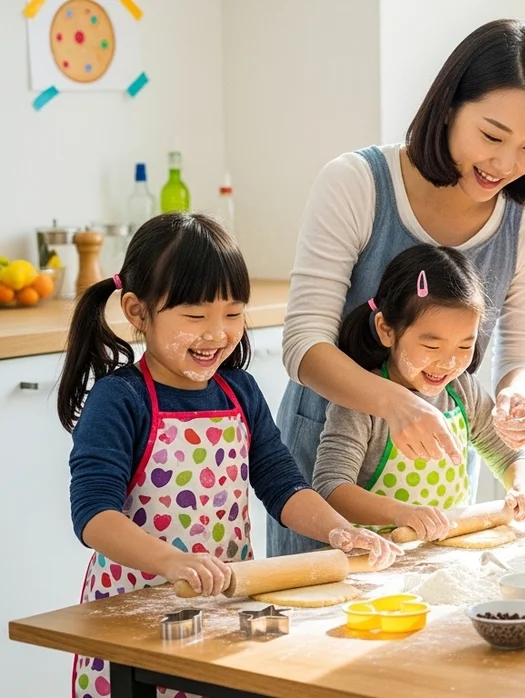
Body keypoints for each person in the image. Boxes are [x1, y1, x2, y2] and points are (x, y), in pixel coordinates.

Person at [271, 19, 525, 557]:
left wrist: (515, 398)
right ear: (449, 106)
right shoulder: (357, 183)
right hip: (329, 462)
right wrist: (395, 404)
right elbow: (303, 344)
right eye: (491, 136)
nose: (506, 164)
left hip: (434, 468)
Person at [59, 214, 400, 698]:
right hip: (131, 619)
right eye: (195, 317)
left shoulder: (238, 390)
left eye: (234, 314)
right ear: (138, 311)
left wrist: (337, 530)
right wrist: (171, 562)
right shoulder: (122, 399)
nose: (218, 333)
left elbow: (282, 483)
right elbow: (93, 514)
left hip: (223, 609)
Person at [313, 245, 525, 539]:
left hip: (448, 558)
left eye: (465, 346)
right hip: (379, 562)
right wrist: (403, 514)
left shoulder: (462, 391)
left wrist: (524, 490)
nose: (449, 362)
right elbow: (331, 488)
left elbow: (511, 458)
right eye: (432, 346)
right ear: (386, 329)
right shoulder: (362, 402)